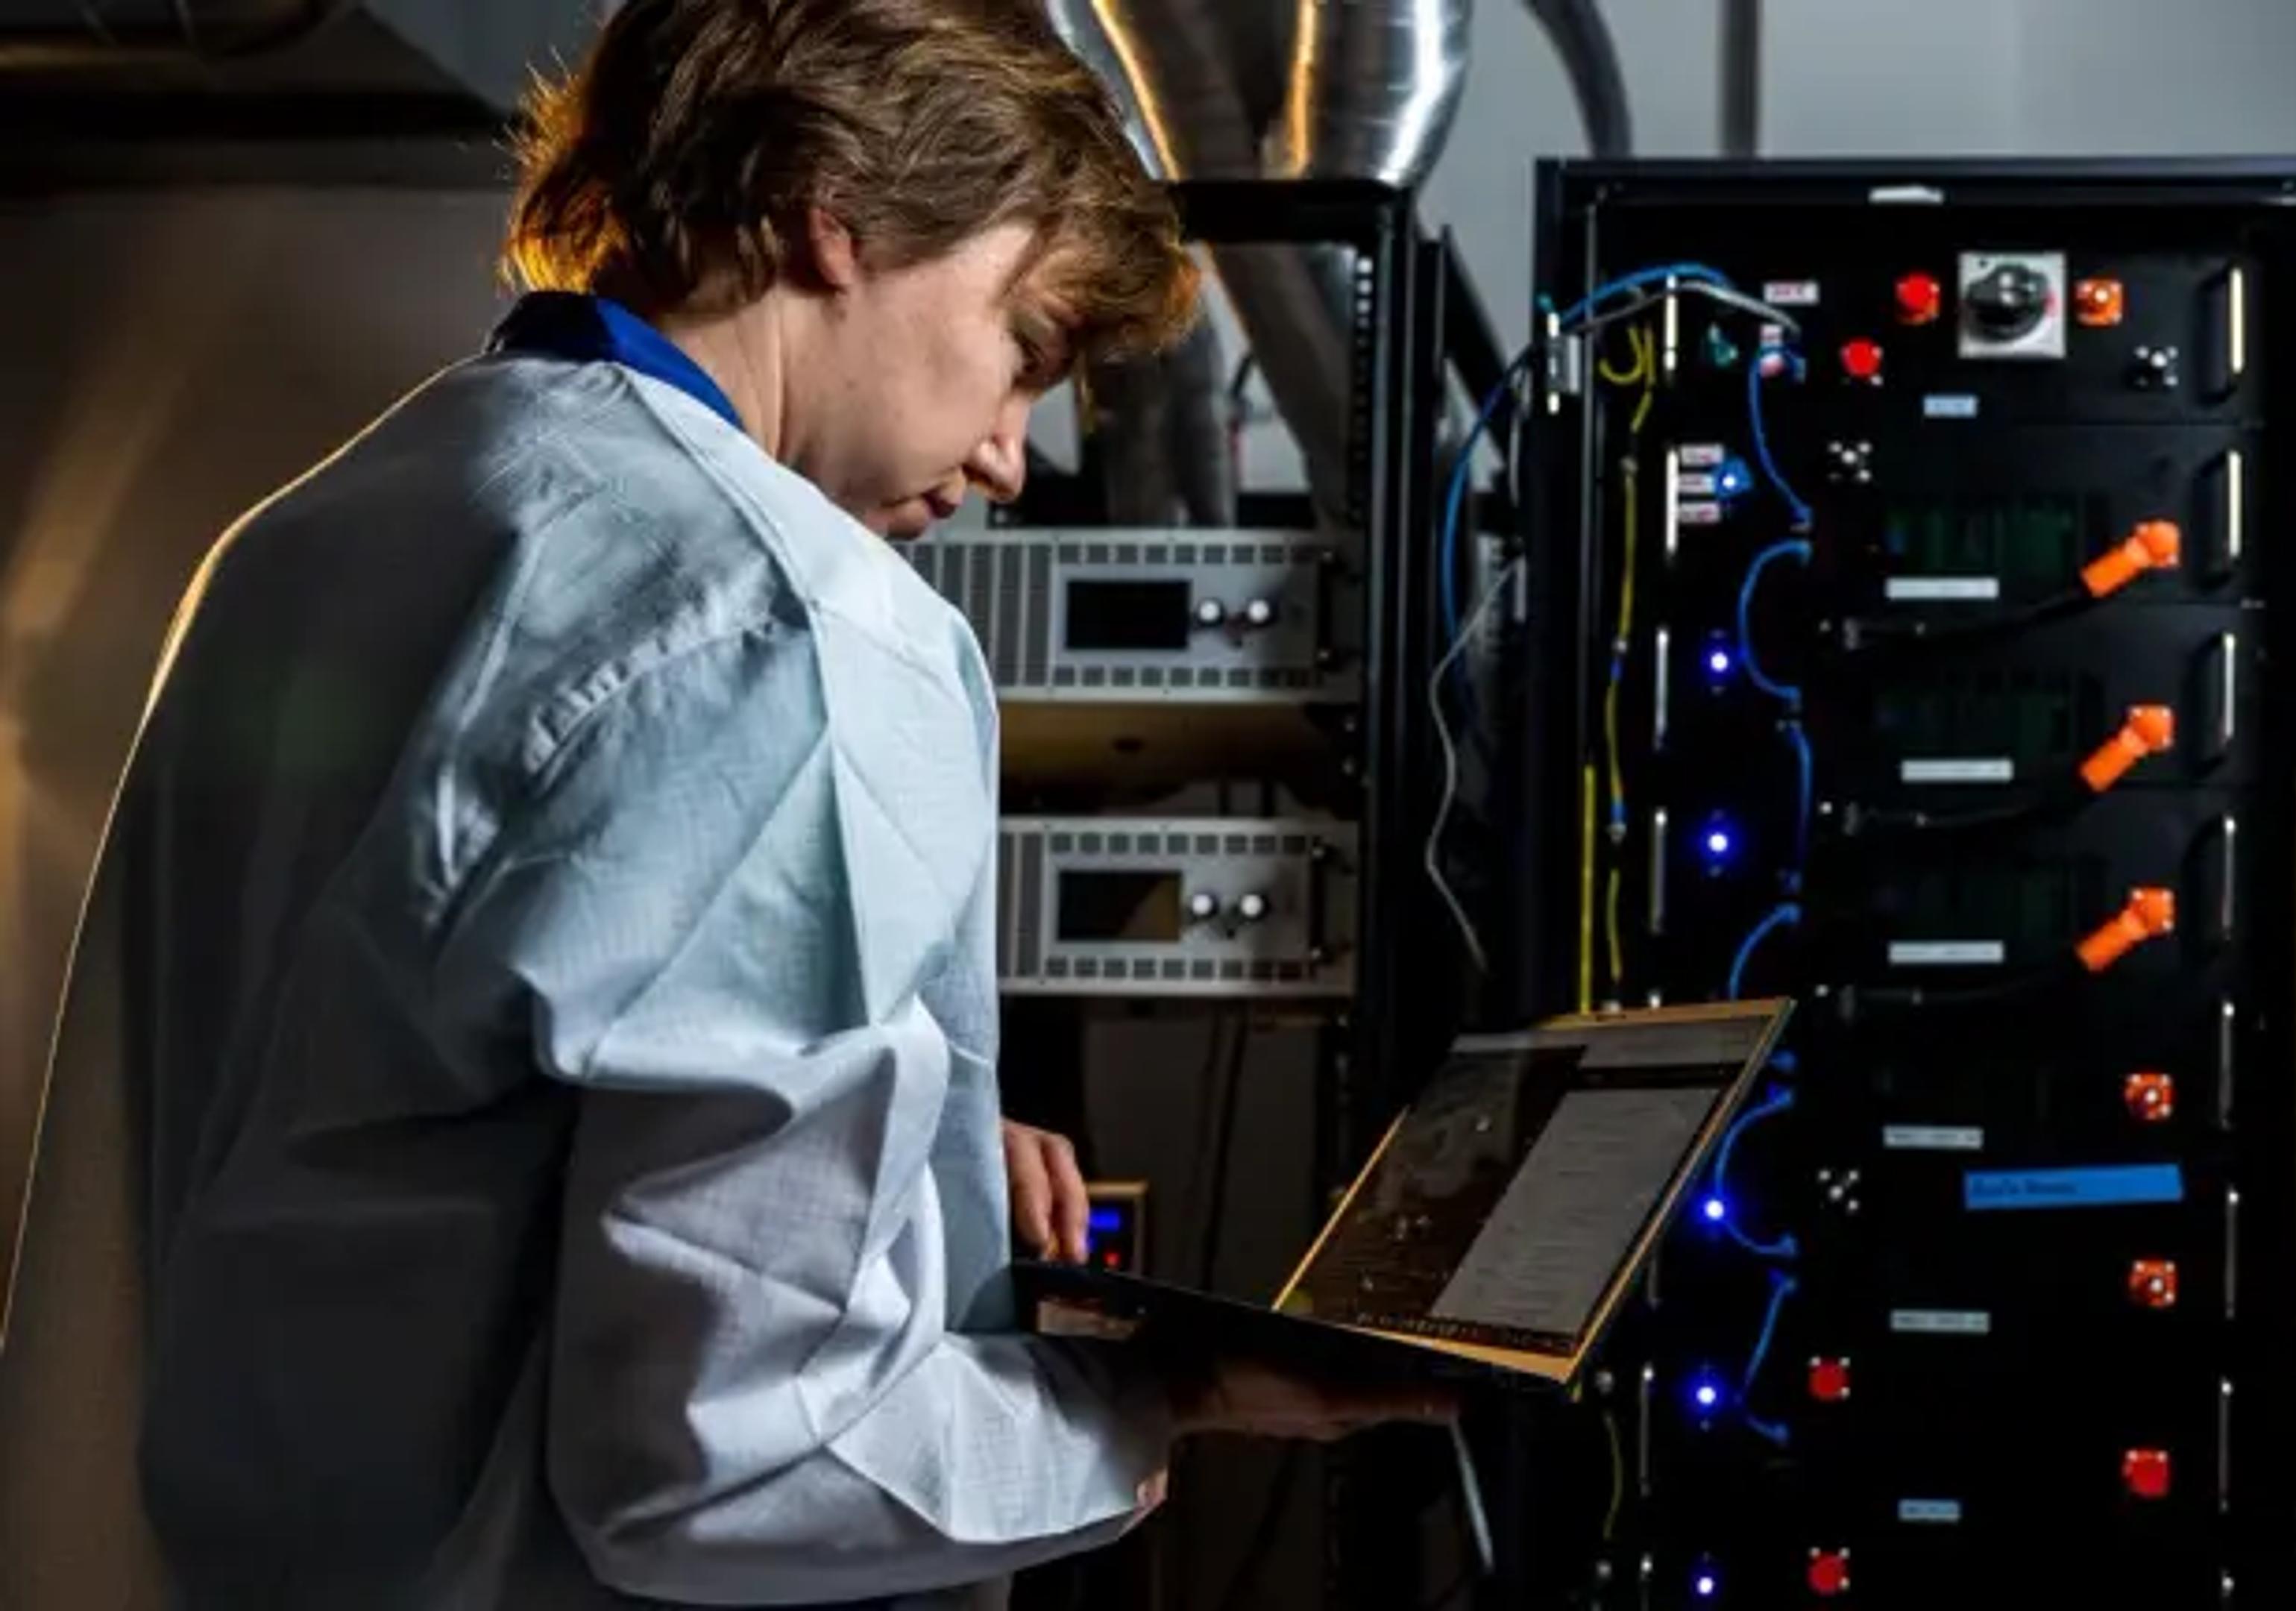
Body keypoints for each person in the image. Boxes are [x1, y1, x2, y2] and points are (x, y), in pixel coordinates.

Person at [0, 1, 1438, 1605]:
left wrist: (919, 1168)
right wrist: (1156, 1401)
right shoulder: (796, 621)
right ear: (832, 213)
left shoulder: (311, 535)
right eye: (1023, 346)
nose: (1013, 455)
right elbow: (730, 1461)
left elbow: (394, 1122)